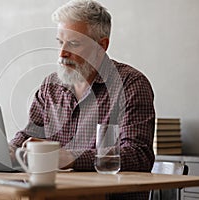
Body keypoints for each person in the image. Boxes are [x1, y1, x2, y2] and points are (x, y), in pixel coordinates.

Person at [10, 0, 155, 199]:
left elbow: (138, 155)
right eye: (60, 42)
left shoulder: (131, 84)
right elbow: (26, 137)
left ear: (102, 45)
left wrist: (69, 157)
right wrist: (5, 152)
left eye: (74, 43)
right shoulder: (50, 86)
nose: (62, 54)